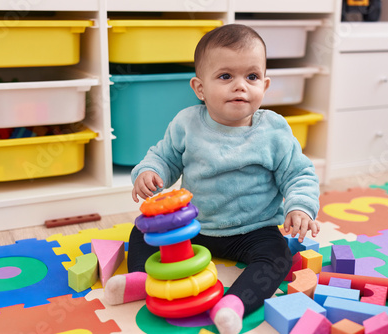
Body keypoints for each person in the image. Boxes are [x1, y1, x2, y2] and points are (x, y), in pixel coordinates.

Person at [104, 23, 320, 334]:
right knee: (142, 232)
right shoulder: (187, 123)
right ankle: (143, 279)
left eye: (252, 77)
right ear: (200, 88)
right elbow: (163, 156)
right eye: (225, 76)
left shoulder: (274, 130)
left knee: (277, 257)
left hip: (253, 229)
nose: (240, 86)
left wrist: (299, 207)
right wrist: (149, 172)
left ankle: (234, 304)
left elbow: (298, 173)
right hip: (195, 225)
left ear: (265, 84)